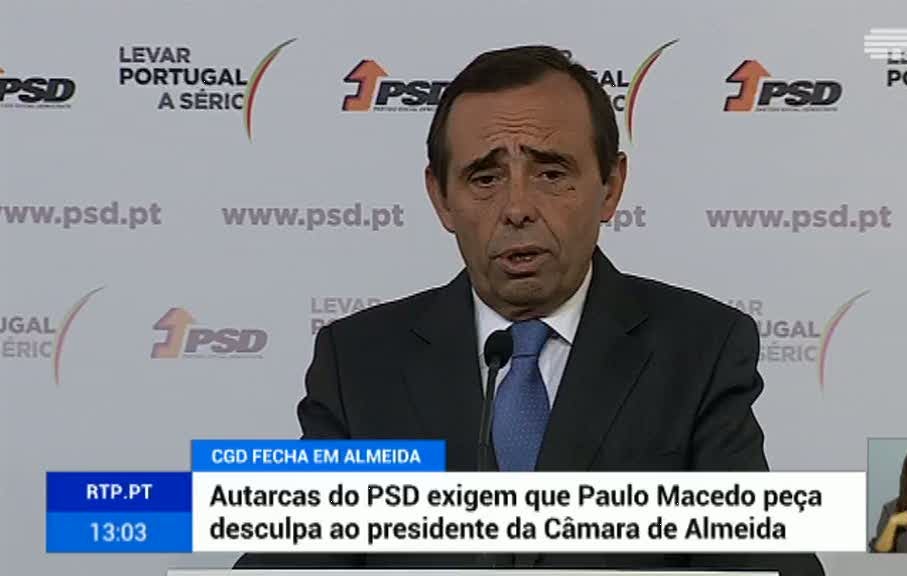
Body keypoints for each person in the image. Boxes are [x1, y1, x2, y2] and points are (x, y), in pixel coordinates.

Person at [236, 45, 823, 575]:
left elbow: (766, 563)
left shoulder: (700, 348)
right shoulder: (359, 362)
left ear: (611, 186)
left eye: (551, 173)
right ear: (440, 198)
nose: (518, 207)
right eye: (485, 177)